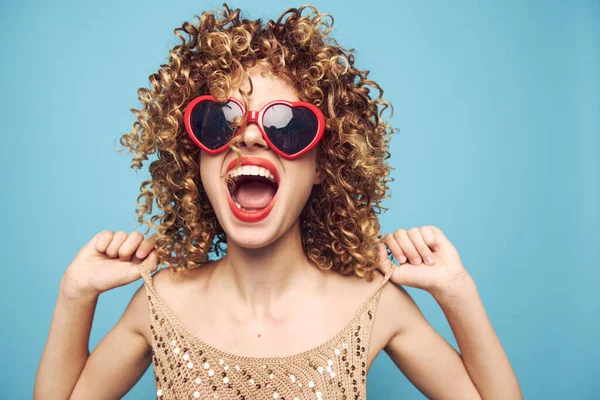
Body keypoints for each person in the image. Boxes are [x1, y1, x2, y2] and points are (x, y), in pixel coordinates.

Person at [34, 4, 522, 399]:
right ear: (195, 165)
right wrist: (75, 295)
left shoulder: (371, 305)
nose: (248, 136)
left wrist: (457, 291)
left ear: (322, 169)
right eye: (220, 122)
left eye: (287, 125)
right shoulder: (161, 305)